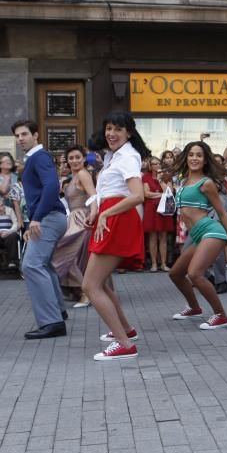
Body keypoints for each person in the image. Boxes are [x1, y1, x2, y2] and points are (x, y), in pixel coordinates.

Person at [84, 112, 150, 360]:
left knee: (90, 286)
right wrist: (97, 211)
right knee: (102, 282)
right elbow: (112, 191)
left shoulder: (127, 157)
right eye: (109, 128)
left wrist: (104, 214)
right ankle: (125, 330)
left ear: (128, 133)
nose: (111, 133)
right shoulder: (116, 156)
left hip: (117, 220)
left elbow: (137, 196)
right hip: (112, 218)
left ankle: (124, 343)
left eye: (118, 129)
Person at [168, 140, 227, 330]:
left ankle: (221, 315)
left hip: (212, 231)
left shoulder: (206, 183)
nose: (194, 158)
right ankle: (194, 307)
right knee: (176, 273)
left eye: (199, 155)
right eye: (191, 154)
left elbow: (222, 212)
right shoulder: (183, 182)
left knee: (195, 274)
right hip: (198, 235)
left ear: (205, 160)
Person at [13, 120, 69, 340]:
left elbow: (52, 186)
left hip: (49, 218)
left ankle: (51, 322)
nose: (20, 139)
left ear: (35, 135)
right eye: (17, 136)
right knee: (43, 264)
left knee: (31, 265)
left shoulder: (40, 156)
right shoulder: (35, 158)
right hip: (49, 217)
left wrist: (35, 219)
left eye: (24, 134)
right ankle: (58, 312)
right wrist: (32, 222)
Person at [52, 145, 95, 307]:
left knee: (63, 252)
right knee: (77, 257)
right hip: (74, 218)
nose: (74, 160)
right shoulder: (73, 176)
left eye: (78, 157)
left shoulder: (83, 174)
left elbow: (94, 196)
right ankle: (79, 290)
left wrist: (92, 215)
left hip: (82, 219)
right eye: (71, 158)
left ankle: (86, 292)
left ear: (84, 159)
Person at [142, 156, 174, 272]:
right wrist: (161, 195)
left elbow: (169, 192)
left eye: (158, 163)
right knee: (152, 236)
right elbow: (146, 194)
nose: (156, 166)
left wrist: (160, 180)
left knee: (163, 236)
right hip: (151, 208)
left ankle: (164, 264)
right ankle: (154, 264)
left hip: (164, 209)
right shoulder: (146, 177)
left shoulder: (166, 176)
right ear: (150, 166)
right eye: (153, 164)